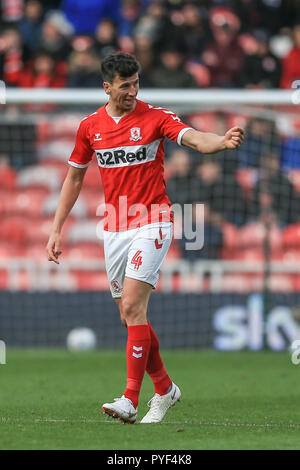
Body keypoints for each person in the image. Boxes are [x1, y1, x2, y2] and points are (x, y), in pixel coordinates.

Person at [46, 52, 244, 424]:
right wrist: (56, 229)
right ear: (107, 87)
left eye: (136, 83)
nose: (133, 91)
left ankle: (130, 399)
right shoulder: (90, 127)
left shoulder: (155, 117)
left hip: (153, 219)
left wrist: (220, 142)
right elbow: (74, 178)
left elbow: (195, 139)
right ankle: (166, 389)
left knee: (135, 306)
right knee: (128, 316)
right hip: (115, 226)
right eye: (125, 86)